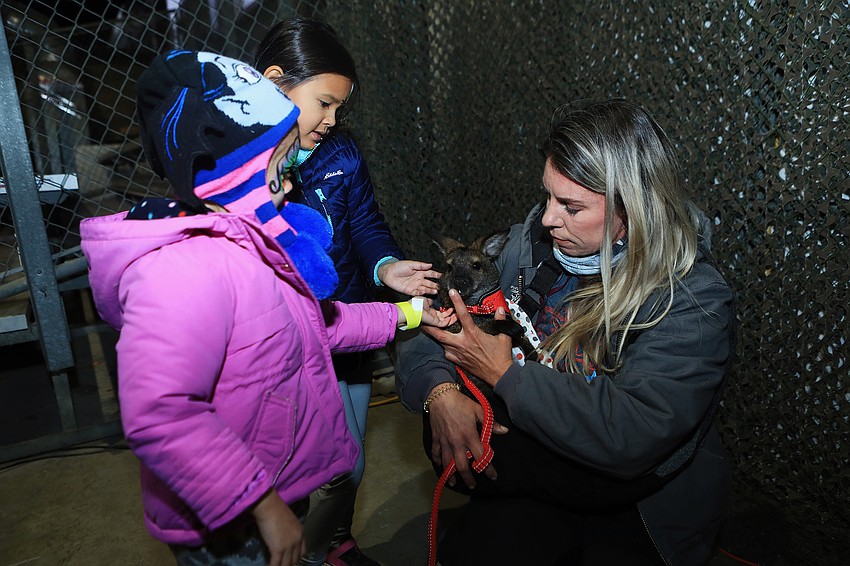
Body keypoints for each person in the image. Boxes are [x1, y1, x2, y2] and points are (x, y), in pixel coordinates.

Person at [80, 50, 454, 566]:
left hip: (275, 486)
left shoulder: (253, 248)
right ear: (228, 177)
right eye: (278, 173)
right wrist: (261, 503)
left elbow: (319, 326)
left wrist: (408, 315)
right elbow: (162, 412)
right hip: (229, 516)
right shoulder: (181, 272)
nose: (289, 188)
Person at [395, 100, 735, 565]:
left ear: (630, 211)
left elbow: (633, 434)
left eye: (571, 206)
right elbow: (427, 319)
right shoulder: (529, 245)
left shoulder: (694, 299)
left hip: (638, 499)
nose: (549, 218)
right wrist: (440, 392)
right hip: (540, 467)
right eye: (548, 197)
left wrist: (504, 375)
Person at [253, 17, 440, 566]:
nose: (333, 121)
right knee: (300, 463)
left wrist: (384, 268)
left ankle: (331, 541)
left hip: (349, 326)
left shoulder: (342, 152)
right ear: (274, 82)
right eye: (325, 104)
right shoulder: (242, 171)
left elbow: (364, 222)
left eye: (341, 109)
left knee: (349, 463)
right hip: (288, 342)